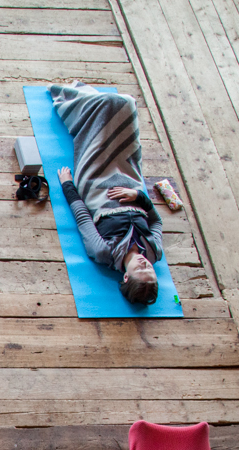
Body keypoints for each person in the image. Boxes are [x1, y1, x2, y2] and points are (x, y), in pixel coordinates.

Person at [50, 82, 162, 305]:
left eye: (141, 270)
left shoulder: (104, 253)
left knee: (108, 107)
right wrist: (138, 197)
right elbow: (156, 221)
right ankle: (91, 99)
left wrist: (67, 185)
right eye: (150, 270)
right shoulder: (154, 250)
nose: (146, 263)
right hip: (129, 178)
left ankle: (71, 98)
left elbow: (82, 217)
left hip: (97, 183)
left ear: (126, 277)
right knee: (127, 104)